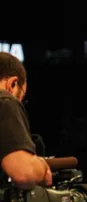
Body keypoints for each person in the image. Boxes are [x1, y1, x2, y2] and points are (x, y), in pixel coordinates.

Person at [0, 52, 52, 190]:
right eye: (21, 99)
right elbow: (24, 173)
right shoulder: (5, 100)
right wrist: (41, 165)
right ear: (13, 84)